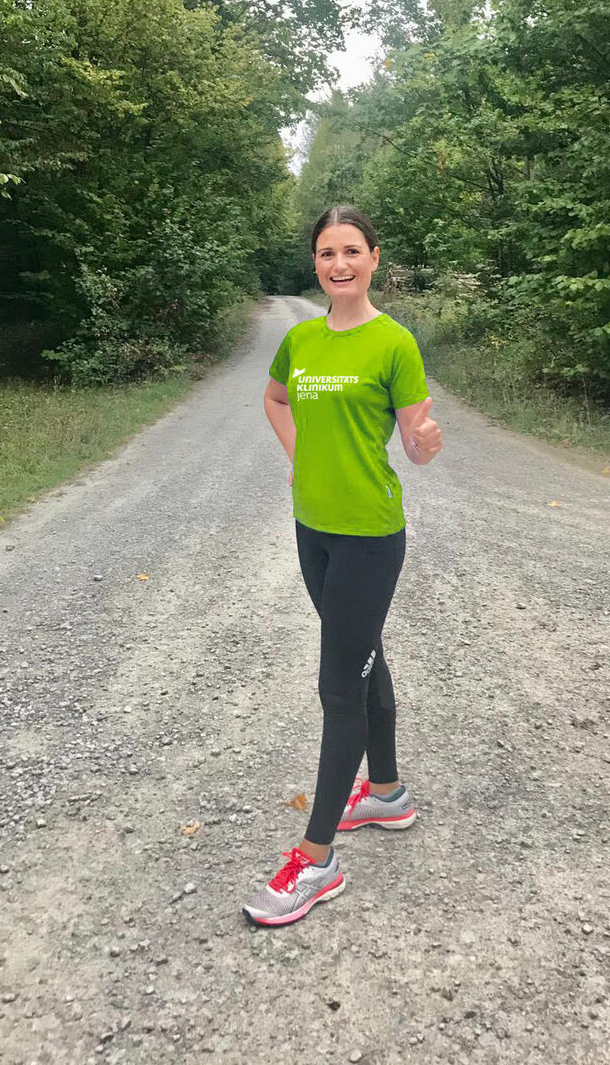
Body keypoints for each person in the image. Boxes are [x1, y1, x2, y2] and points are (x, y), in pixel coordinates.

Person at [242, 205, 443, 927]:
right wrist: (300, 458)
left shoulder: (394, 343)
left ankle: (316, 858)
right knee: (364, 657)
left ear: (373, 258)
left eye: (351, 251)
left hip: (368, 535)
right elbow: (272, 399)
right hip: (313, 531)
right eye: (327, 253)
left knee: (338, 688)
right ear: (317, 263)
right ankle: (385, 792)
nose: (339, 264)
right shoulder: (298, 340)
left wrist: (423, 441)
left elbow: (417, 442)